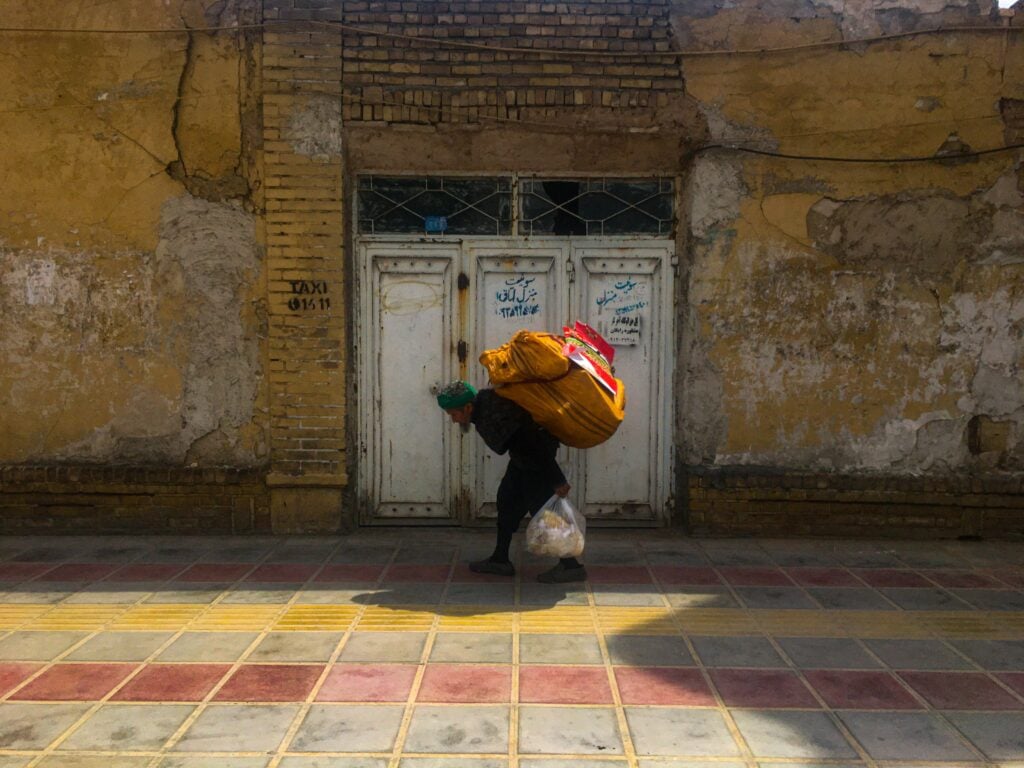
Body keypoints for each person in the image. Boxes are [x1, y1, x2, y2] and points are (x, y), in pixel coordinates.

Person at [436, 380, 587, 583]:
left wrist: (557, 479)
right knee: (507, 501)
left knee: (544, 511)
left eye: (454, 414)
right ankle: (500, 559)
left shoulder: (492, 412)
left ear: (468, 407)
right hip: (522, 459)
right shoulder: (486, 407)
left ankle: (571, 566)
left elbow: (531, 441)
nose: (454, 420)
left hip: (536, 460)